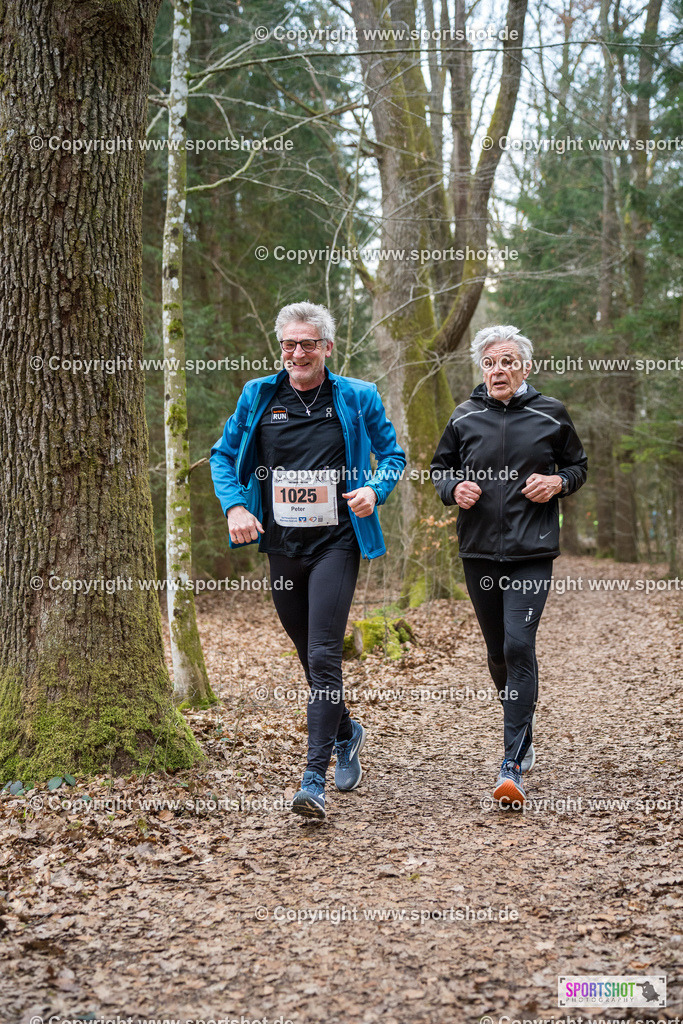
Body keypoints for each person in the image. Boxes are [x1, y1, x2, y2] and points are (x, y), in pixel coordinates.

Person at [210, 302, 405, 821]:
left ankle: (314, 777)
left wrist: (374, 489)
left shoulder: (356, 396)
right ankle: (347, 730)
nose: (298, 353)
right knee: (306, 652)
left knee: (323, 655)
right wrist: (233, 505)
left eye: (308, 344)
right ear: (282, 348)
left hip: (337, 541)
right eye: (289, 345)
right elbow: (223, 455)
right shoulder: (259, 395)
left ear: (327, 348)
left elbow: (393, 456)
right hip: (281, 544)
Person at [431, 325, 587, 808]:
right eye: (490, 363)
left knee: (519, 645)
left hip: (531, 552)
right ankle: (524, 719)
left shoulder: (551, 413)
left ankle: (511, 763)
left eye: (507, 362)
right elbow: (441, 468)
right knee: (498, 653)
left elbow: (577, 466)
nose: (498, 370)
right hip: (478, 550)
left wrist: (557, 483)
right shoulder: (464, 416)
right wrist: (453, 489)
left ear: (525, 367)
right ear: (482, 370)